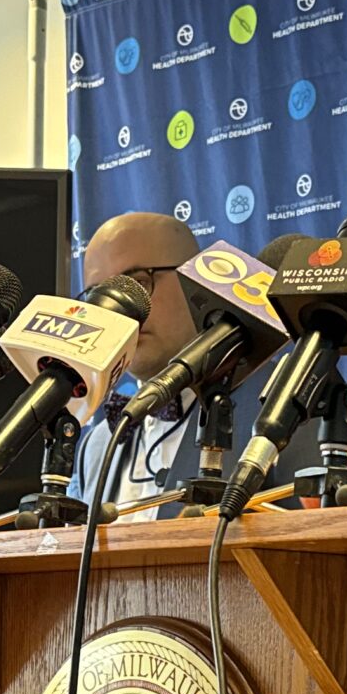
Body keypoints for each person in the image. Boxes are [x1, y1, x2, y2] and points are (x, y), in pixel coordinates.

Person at [72, 210, 217, 511]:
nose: (119, 311)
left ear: (196, 283)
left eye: (137, 283)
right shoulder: (98, 444)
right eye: (99, 296)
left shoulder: (270, 415)